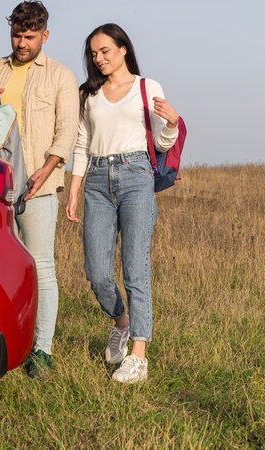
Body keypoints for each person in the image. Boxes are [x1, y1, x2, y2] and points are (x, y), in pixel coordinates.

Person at [0, 0, 79, 378]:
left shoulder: (61, 75)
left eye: (29, 36)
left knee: (41, 266)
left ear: (45, 35)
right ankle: (1, 342)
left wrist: (47, 168)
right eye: (16, 35)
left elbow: (68, 129)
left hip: (39, 186)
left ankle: (42, 350)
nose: (21, 43)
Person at [66, 23, 179, 384]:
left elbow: (160, 143)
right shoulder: (88, 94)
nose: (99, 59)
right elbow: (82, 145)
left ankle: (139, 357)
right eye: (94, 54)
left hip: (136, 176)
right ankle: (121, 323)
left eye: (105, 51)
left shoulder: (148, 87)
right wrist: (73, 190)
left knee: (135, 268)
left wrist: (173, 123)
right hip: (97, 181)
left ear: (123, 49)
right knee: (97, 272)